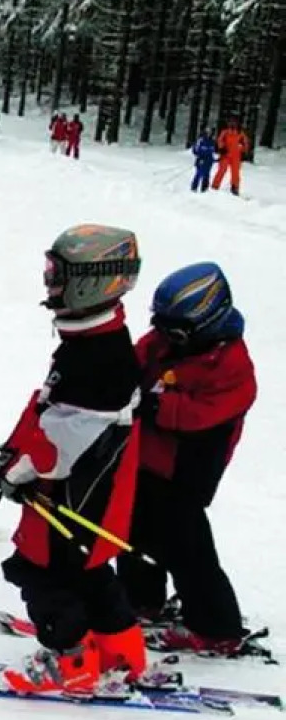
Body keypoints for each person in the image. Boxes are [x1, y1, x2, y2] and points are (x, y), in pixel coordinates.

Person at [0, 225, 145, 694]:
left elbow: (59, 445)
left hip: (73, 497)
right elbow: (48, 411)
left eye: (58, 274)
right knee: (86, 570)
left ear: (92, 281)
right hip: (91, 497)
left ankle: (71, 660)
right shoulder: (94, 342)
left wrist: (13, 472)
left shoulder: (98, 358)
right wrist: (10, 458)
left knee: (43, 572)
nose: (49, 283)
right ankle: (122, 653)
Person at [118, 264, 256, 655]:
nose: (165, 337)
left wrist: (156, 405)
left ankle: (217, 628)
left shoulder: (230, 364)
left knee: (185, 546)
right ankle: (140, 599)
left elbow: (204, 413)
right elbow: (140, 356)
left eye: (175, 332)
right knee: (131, 529)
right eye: (161, 327)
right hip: (147, 456)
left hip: (189, 469)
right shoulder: (166, 343)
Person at [212, 118, 248, 195]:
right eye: (231, 122)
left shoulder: (240, 133)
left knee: (235, 173)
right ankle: (215, 186)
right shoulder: (225, 132)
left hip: (236, 156)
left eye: (234, 122)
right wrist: (222, 148)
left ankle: (235, 188)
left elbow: (245, 143)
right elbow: (220, 140)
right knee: (222, 170)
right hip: (225, 155)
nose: (232, 124)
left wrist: (244, 152)